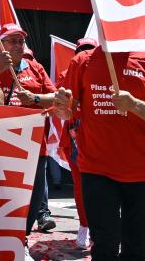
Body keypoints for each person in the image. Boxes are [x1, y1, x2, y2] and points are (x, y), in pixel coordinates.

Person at [54, 44, 145, 260]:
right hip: (96, 170)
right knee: (104, 245)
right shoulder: (83, 61)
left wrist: (134, 105)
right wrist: (62, 109)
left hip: (140, 172)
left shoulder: (142, 57)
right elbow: (70, 109)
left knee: (137, 247)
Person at [0, 24, 56, 251]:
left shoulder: (35, 68)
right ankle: (2, 242)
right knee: (4, 199)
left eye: (21, 41)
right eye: (12, 41)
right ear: (1, 46)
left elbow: (55, 98)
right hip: (1, 146)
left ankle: (22, 239)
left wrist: (35, 98)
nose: (18, 46)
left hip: (34, 145)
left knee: (34, 197)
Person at [56, 37, 97, 250]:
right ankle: (84, 227)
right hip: (76, 143)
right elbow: (60, 104)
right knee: (82, 188)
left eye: (90, 50)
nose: (85, 55)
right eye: (82, 51)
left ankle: (96, 229)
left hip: (98, 142)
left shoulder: (105, 75)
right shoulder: (67, 76)